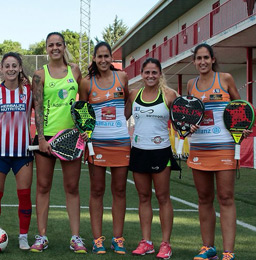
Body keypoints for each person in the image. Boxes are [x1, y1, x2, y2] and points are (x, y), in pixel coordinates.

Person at [30, 32, 86, 254]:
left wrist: (83, 129)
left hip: (71, 138)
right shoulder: (38, 74)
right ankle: (41, 236)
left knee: (72, 188)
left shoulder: (75, 71)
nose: (55, 48)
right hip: (46, 139)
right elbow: (37, 107)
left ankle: (76, 238)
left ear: (64, 46)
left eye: (58, 44)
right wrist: (41, 138)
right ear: (46, 48)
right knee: (43, 187)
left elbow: (83, 102)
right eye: (51, 45)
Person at [187, 43, 241, 260]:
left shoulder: (225, 79)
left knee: (226, 197)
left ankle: (228, 252)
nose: (202, 62)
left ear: (212, 59)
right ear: (194, 61)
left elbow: (241, 107)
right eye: (198, 58)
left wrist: (242, 127)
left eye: (206, 58)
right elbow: (188, 112)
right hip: (199, 147)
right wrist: (187, 125)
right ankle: (208, 248)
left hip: (225, 147)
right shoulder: (191, 84)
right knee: (204, 198)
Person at [79, 41, 130, 255]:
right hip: (96, 144)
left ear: (111, 58)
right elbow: (82, 112)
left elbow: (127, 102)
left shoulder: (123, 77)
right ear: (94, 59)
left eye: (106, 56)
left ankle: (117, 238)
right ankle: (97, 239)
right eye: (99, 56)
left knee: (119, 191)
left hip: (120, 142)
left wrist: (120, 122)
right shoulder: (86, 82)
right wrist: (85, 140)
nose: (103, 60)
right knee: (97, 191)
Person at [125, 58, 178, 259]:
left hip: (161, 151)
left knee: (163, 197)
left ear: (160, 74)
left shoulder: (170, 95)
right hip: (139, 150)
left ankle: (166, 244)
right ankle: (146, 242)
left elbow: (182, 119)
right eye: (147, 72)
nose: (150, 76)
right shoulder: (133, 95)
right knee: (143, 197)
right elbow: (122, 117)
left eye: (154, 72)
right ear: (141, 74)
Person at [0, 52, 33, 250]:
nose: (11, 69)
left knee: (24, 195)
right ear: (1, 69)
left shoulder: (29, 91)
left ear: (20, 68)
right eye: (7, 66)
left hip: (23, 152)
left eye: (14, 65)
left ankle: (23, 236)